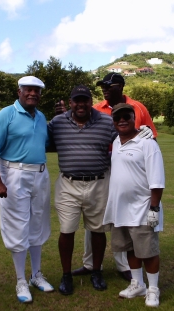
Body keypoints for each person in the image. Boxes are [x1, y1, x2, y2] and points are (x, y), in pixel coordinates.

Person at [68, 73, 158, 281]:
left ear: (122, 87)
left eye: (110, 86)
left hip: (128, 167)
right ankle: (89, 263)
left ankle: (124, 265)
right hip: (102, 165)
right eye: (103, 86)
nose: (105, 90)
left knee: (124, 214)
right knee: (95, 216)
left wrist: (145, 131)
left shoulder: (138, 108)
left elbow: (151, 139)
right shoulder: (97, 108)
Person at [0, 76, 54, 304]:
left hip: (40, 174)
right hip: (13, 174)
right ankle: (20, 279)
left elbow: (47, 144)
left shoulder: (41, 117)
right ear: (19, 91)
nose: (33, 93)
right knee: (17, 225)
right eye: (28, 90)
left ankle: (36, 275)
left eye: (37, 91)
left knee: (38, 223)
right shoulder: (6, 114)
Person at [47, 85, 116, 295]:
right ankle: (66, 275)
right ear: (70, 103)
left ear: (90, 101)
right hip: (68, 184)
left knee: (98, 230)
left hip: (99, 183)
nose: (81, 104)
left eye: (84, 100)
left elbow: (123, 140)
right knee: (67, 230)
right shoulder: (57, 123)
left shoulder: (106, 121)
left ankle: (96, 271)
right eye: (76, 100)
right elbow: (44, 143)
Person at [103, 103, 165, 308]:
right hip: (121, 208)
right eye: (117, 117)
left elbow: (157, 179)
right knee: (129, 249)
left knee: (148, 250)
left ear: (134, 118)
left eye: (126, 116)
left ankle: (153, 289)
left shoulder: (147, 143)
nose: (121, 120)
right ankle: (137, 284)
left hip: (142, 208)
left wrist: (154, 208)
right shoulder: (117, 142)